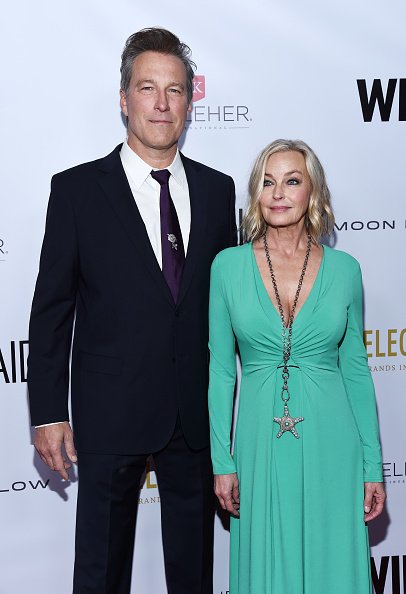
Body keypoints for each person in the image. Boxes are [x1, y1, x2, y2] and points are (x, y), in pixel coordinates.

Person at [28, 27, 236, 594]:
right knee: (101, 571)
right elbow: (51, 310)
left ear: (191, 101)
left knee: (193, 573)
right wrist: (48, 412)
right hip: (109, 409)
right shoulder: (75, 190)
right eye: (148, 88)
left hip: (193, 417)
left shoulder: (220, 192)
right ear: (124, 99)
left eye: (175, 90)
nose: (162, 103)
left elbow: (226, 305)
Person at [208, 139, 385, 594]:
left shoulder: (346, 270)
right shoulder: (227, 267)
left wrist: (371, 466)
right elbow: (222, 371)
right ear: (256, 194)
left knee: (331, 565)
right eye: (267, 182)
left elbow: (357, 371)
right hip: (259, 441)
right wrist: (222, 460)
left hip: (333, 441)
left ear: (313, 192)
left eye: (292, 181)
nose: (278, 193)